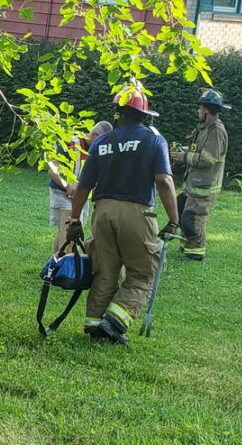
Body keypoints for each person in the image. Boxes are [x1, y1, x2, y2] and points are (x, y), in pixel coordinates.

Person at [67, 86, 179, 345]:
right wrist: (174, 220)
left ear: (118, 113)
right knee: (143, 273)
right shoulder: (153, 140)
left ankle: (94, 325)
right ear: (144, 115)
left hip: (102, 212)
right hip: (137, 213)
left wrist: (74, 220)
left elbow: (84, 185)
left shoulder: (101, 142)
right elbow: (163, 180)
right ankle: (115, 322)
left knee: (105, 271)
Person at [169, 89, 229, 262]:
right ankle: (187, 244)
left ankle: (195, 253)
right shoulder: (204, 128)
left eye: (200, 108)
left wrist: (183, 157)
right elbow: (198, 149)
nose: (198, 111)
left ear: (207, 110)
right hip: (194, 183)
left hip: (205, 186)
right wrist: (183, 151)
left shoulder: (216, 131)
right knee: (181, 208)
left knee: (192, 218)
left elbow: (207, 159)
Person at [48, 121, 113, 252]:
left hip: (82, 197)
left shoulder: (99, 149)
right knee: (68, 229)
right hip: (62, 192)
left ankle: (56, 263)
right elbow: (52, 169)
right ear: (94, 135)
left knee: (71, 229)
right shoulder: (71, 142)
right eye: (102, 140)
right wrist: (67, 185)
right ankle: (64, 268)